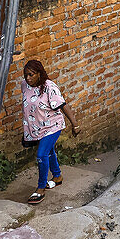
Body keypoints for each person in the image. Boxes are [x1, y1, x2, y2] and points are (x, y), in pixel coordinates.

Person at [21, 59, 80, 204]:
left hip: (52, 127)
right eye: (26, 75)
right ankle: (57, 177)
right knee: (49, 151)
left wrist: (75, 125)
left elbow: (63, 105)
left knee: (41, 154)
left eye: (31, 75)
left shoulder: (49, 87)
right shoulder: (25, 85)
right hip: (37, 129)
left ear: (39, 74)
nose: (28, 78)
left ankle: (40, 189)